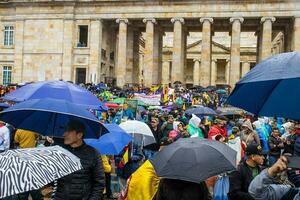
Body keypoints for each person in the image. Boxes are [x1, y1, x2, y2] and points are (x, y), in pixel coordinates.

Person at [55, 120, 105, 200]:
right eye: (65, 131)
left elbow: (99, 183)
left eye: (68, 132)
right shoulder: (59, 151)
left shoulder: (93, 154)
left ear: (79, 135)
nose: (64, 134)